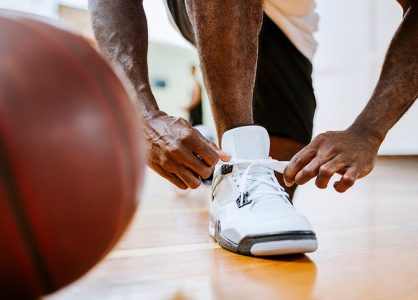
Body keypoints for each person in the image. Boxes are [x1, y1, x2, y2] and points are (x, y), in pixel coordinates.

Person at [89, 0, 417, 256]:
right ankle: (233, 162)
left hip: (287, 26)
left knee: (276, 181)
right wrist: (141, 115)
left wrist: (368, 131)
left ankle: (212, 164)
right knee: (246, 182)